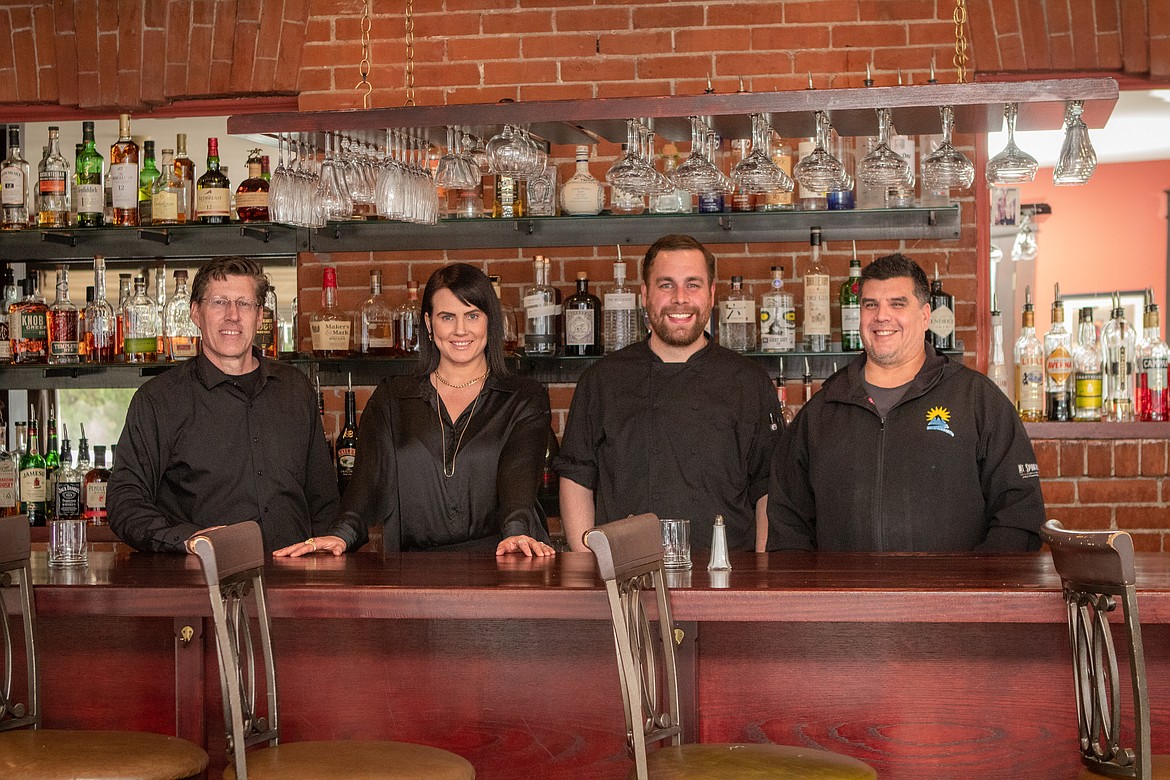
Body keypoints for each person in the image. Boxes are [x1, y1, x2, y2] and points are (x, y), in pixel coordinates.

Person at [767, 253, 1045, 552]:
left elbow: (1019, 515)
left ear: (926, 315)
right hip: (845, 598)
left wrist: (973, 590)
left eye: (897, 304)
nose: (881, 316)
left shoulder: (976, 399)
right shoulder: (822, 411)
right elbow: (788, 525)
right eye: (870, 305)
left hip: (950, 596)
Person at [276, 263, 555, 558]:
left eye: (472, 315)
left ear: (489, 322)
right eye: (447, 317)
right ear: (429, 323)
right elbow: (365, 486)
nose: (461, 330)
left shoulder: (523, 398)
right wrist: (340, 535)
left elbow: (519, 479)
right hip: (413, 575)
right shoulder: (393, 399)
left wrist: (517, 533)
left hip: (501, 565)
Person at [556, 234, 783, 553]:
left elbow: (768, 487)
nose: (680, 298)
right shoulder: (602, 380)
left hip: (728, 576)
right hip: (627, 581)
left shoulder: (749, 380)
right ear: (645, 294)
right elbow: (577, 477)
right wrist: (590, 562)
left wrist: (761, 574)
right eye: (666, 285)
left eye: (693, 284)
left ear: (711, 293)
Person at [108, 256, 342, 555]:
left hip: (292, 582)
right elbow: (125, 501)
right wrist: (187, 540)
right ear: (195, 313)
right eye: (219, 302)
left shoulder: (296, 389)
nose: (233, 315)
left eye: (245, 304)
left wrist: (320, 562)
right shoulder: (160, 399)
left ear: (259, 316)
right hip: (202, 582)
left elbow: (323, 498)